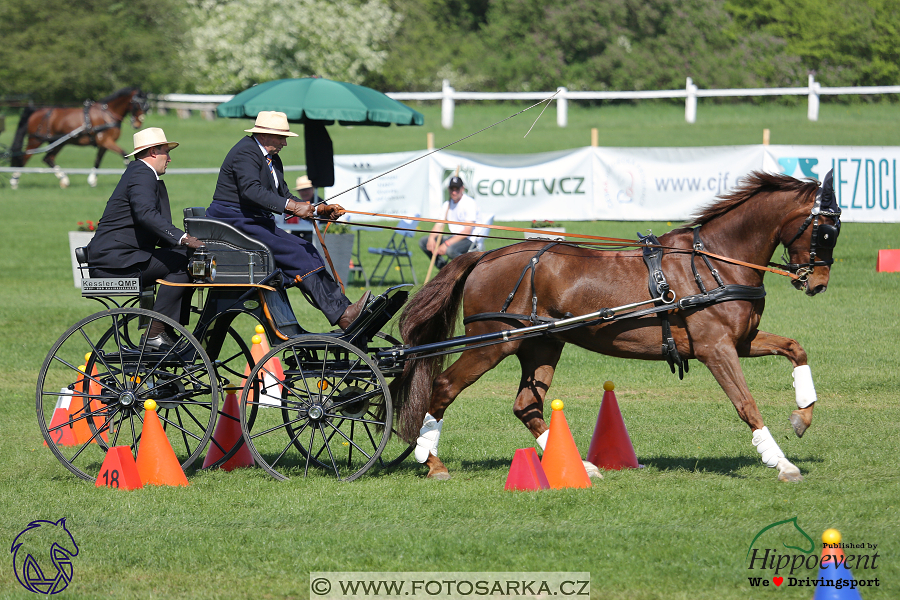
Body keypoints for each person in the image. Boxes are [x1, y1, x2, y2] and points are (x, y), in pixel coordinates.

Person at [206, 111, 369, 330]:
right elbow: (251, 191)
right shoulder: (245, 152)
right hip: (234, 221)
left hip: (254, 221)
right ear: (264, 135)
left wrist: (319, 209)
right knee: (298, 251)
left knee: (305, 247)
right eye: (281, 137)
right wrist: (293, 207)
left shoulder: (271, 158)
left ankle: (343, 309)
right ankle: (342, 314)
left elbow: (283, 194)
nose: (285, 143)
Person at [85, 127, 204, 348]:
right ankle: (156, 333)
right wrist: (184, 238)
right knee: (183, 264)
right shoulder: (141, 173)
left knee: (183, 256)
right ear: (152, 152)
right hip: (116, 262)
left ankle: (166, 331)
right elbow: (146, 214)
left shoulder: (141, 173)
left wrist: (186, 242)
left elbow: (149, 223)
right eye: (166, 152)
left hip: (120, 257)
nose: (169, 158)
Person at [420, 175, 479, 269]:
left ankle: (466, 271)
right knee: (424, 241)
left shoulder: (469, 203)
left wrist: (446, 244)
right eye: (452, 189)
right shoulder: (447, 205)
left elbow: (467, 231)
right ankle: (444, 269)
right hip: (453, 237)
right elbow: (439, 225)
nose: (454, 192)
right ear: (448, 189)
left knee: (450, 250)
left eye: (457, 189)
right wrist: (431, 238)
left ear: (462, 188)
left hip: (469, 240)